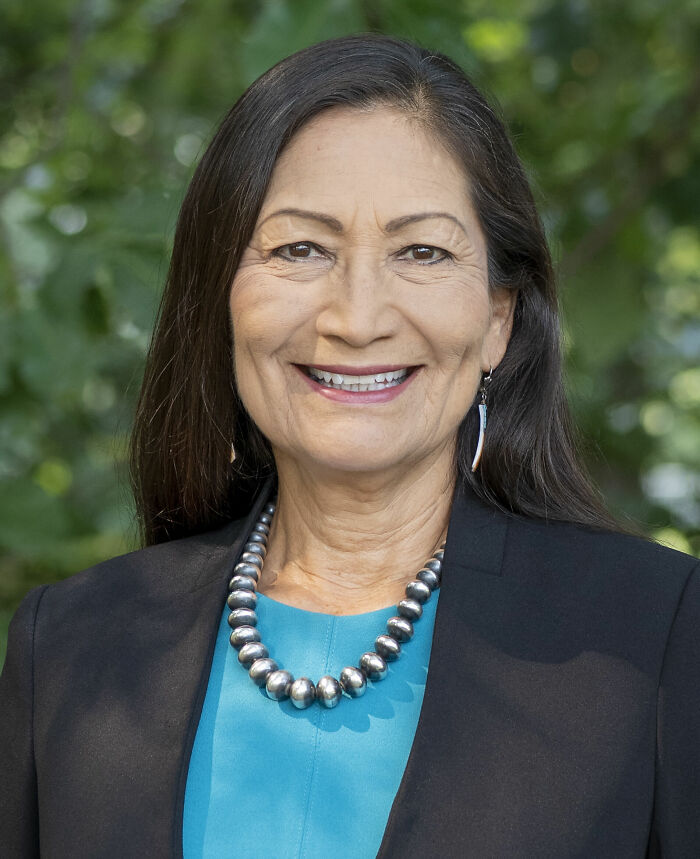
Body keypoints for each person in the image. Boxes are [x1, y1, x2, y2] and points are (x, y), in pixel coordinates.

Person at [1, 32, 698, 859]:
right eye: (300, 248)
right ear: (222, 296)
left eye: (421, 252)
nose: (357, 317)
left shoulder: (653, 636)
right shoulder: (74, 642)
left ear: (497, 321)